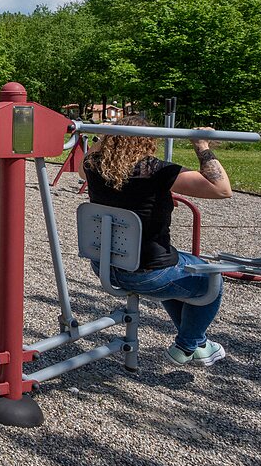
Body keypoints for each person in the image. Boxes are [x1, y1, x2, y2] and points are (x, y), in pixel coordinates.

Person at [78, 114, 233, 367]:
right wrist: (202, 146)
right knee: (211, 283)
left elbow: (81, 168)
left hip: (107, 266)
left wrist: (102, 135)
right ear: (149, 142)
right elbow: (221, 189)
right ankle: (186, 345)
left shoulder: (94, 167)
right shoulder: (157, 171)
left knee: (184, 265)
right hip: (147, 273)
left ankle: (201, 345)